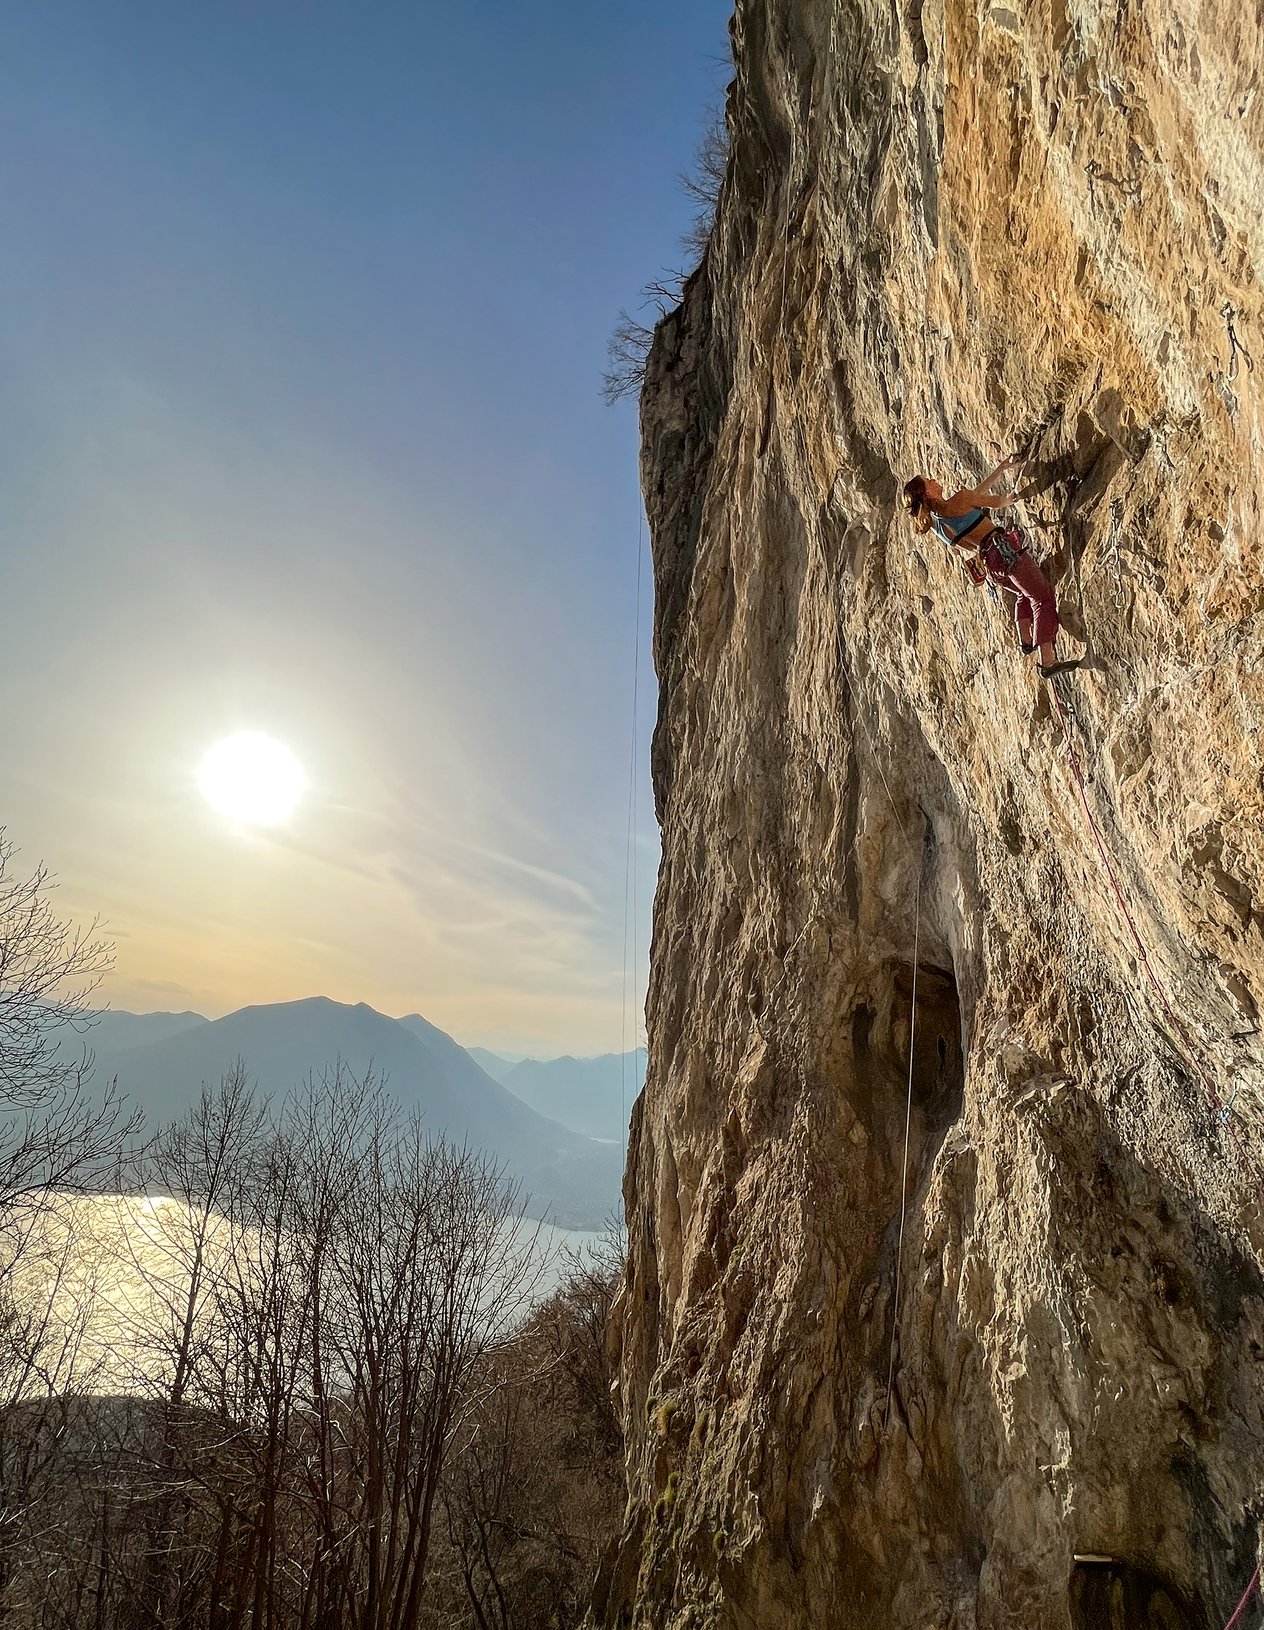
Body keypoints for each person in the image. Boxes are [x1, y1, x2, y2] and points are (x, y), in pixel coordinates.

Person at [902, 457, 1082, 680]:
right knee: (1041, 597)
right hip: (1004, 551)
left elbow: (975, 499)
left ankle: (1026, 639)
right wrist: (1010, 500)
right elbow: (991, 502)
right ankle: (1048, 659)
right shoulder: (959, 499)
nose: (934, 479)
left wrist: (1001, 469)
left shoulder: (939, 524)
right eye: (928, 481)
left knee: (1022, 594)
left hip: (991, 562)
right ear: (927, 493)